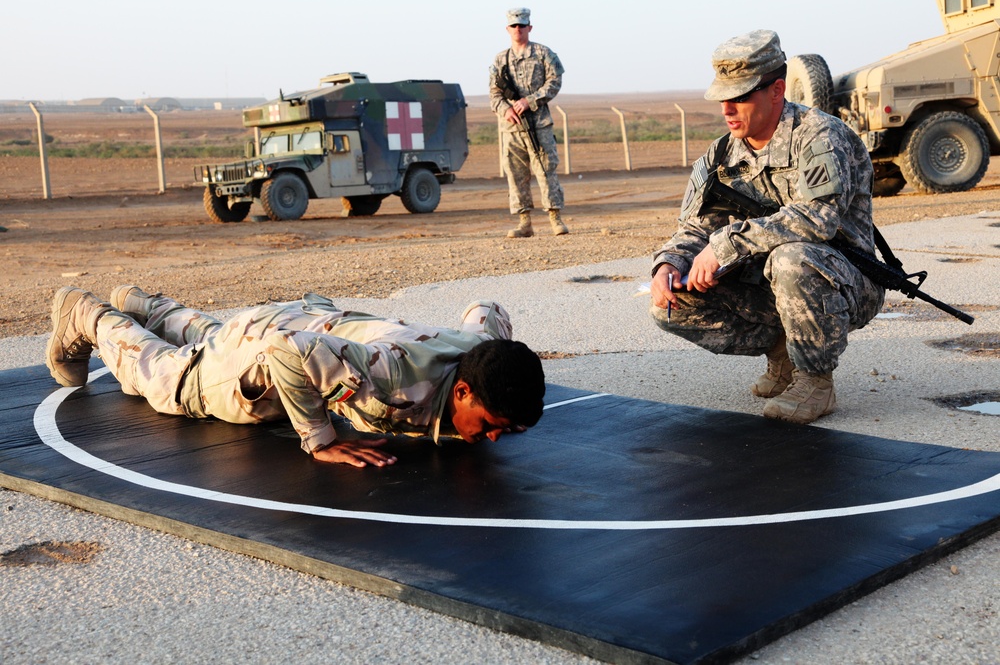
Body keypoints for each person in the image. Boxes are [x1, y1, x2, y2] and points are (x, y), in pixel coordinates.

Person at [648, 30, 885, 425]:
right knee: (669, 306)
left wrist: (727, 244)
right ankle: (784, 354)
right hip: (773, 285)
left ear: (777, 90)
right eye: (723, 96)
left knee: (792, 258)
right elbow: (695, 226)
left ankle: (815, 381)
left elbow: (818, 217)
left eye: (741, 96)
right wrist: (670, 264)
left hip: (844, 280)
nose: (728, 108)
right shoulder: (721, 154)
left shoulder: (819, 135)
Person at [45, 286, 546, 467]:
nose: (497, 436)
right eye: (494, 423)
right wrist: (320, 438)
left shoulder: (482, 354)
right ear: (461, 390)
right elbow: (288, 352)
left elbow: (488, 307)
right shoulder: (394, 378)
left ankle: (150, 306)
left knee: (217, 337)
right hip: (275, 351)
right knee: (171, 382)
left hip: (305, 322)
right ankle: (86, 314)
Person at [489, 6, 568, 238]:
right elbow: (494, 94)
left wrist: (529, 101)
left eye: (522, 25)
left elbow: (555, 81)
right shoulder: (500, 59)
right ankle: (525, 222)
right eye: (514, 26)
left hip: (539, 124)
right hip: (512, 127)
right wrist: (506, 110)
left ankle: (555, 218)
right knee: (515, 173)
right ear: (507, 29)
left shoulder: (543, 53)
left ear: (529, 28)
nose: (518, 29)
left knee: (546, 169)